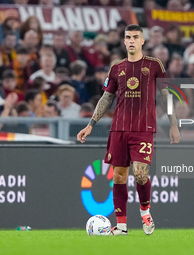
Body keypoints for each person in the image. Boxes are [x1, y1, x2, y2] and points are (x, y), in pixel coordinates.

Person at [77, 24, 181, 236]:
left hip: (143, 128)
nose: (131, 40)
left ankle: (145, 212)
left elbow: (165, 95)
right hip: (119, 129)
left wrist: (173, 124)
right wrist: (90, 125)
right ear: (124, 41)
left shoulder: (154, 65)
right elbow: (107, 98)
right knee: (119, 176)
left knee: (141, 174)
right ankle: (122, 226)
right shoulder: (116, 68)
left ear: (142, 41)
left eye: (136, 37)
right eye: (128, 37)